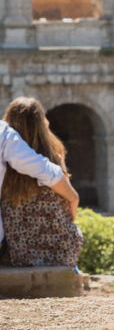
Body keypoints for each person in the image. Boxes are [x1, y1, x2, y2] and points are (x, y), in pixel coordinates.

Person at [0, 97, 82, 267]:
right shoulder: (54, 156)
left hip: (17, 249)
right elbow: (66, 203)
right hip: (61, 247)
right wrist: (74, 198)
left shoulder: (8, 168)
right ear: (41, 123)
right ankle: (74, 272)